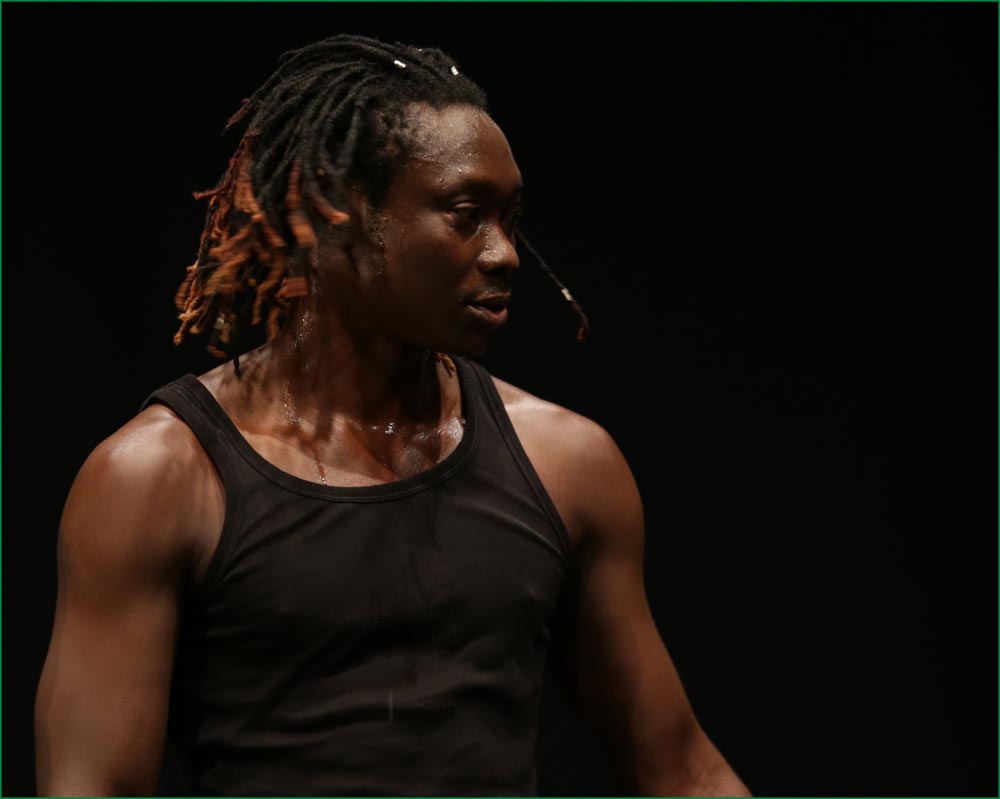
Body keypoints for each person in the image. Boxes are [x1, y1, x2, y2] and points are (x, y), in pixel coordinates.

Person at [34, 34, 751, 797]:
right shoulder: (160, 478)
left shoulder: (568, 465)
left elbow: (681, 769)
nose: (505, 253)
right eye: (466, 214)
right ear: (336, 211)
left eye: (511, 218)